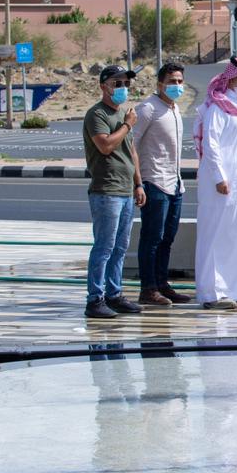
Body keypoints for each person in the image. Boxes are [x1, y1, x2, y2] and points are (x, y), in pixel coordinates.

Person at [193, 57, 237, 310]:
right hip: (224, 183)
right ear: (232, 79)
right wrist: (218, 177)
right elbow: (210, 145)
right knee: (219, 235)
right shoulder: (218, 107)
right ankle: (214, 293)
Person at [83, 65, 146, 319]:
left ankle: (114, 293)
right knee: (104, 247)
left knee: (120, 247)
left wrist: (138, 183)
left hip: (125, 190)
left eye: (125, 85)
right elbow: (106, 146)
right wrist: (128, 126)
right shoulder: (96, 114)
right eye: (117, 83)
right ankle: (94, 299)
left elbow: (131, 153)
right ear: (103, 86)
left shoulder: (122, 114)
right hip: (106, 190)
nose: (122, 89)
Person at [134, 62, 190, 307]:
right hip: (154, 182)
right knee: (152, 238)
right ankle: (148, 288)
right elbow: (131, 145)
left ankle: (162, 283)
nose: (176, 86)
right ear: (159, 84)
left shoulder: (174, 108)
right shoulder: (148, 109)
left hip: (175, 184)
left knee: (168, 238)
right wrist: (137, 182)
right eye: (171, 81)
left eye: (179, 81)